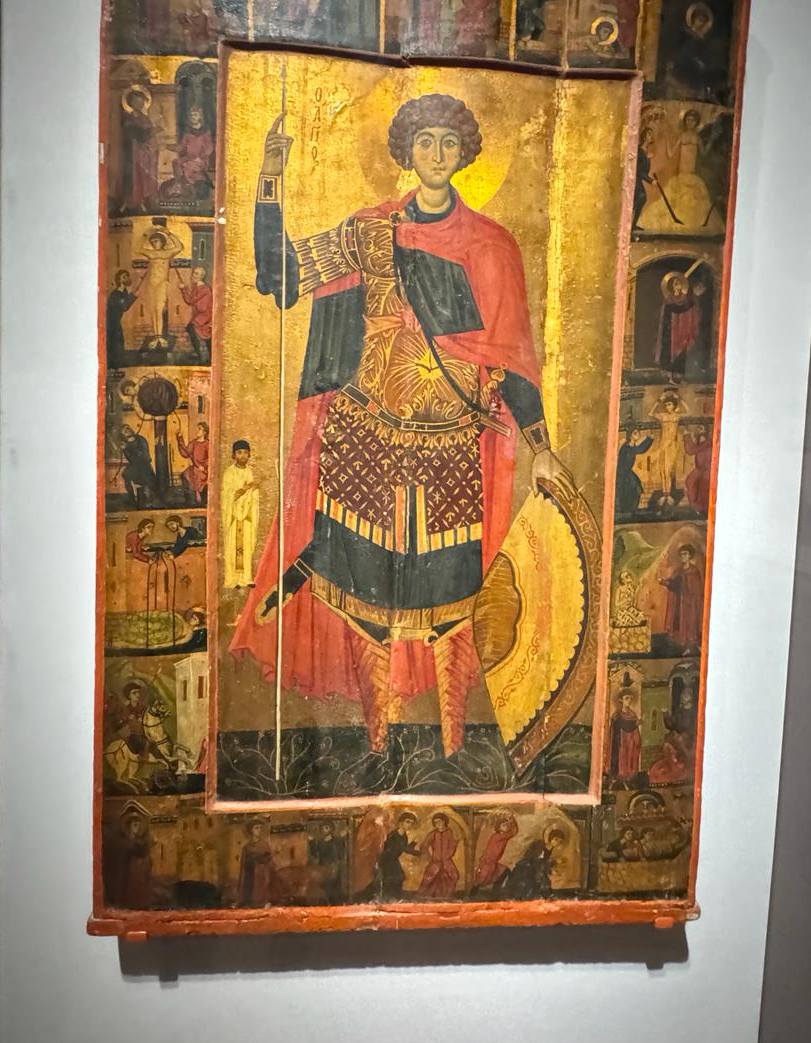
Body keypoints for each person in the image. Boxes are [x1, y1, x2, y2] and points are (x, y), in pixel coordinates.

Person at [231, 93, 576, 758]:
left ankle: (451, 748)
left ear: (465, 152)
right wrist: (269, 181)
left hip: (449, 448)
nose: (437, 154)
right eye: (425, 142)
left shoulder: (491, 246)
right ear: (407, 152)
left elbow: (511, 358)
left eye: (448, 142)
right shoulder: (369, 231)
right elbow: (281, 277)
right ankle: (377, 746)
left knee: (452, 600)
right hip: (364, 440)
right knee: (365, 599)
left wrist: (540, 446)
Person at [220, 439, 259, 589]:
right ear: (234, 455)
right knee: (232, 548)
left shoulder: (249, 472)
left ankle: (246, 578)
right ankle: (232, 580)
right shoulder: (229, 473)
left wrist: (252, 490)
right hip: (234, 518)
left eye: (245, 453)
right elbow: (227, 495)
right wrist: (243, 490)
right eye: (239, 452)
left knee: (247, 548)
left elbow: (253, 496)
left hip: (247, 517)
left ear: (249, 455)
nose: (242, 455)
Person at [655, 271, 707, 380]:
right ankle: (668, 374)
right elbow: (675, 309)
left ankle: (678, 374)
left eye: (678, 283)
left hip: (681, 331)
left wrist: (694, 298)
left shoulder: (686, 298)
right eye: (674, 283)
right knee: (667, 352)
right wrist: (693, 299)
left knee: (681, 351)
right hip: (669, 331)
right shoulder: (668, 299)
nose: (677, 285)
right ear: (671, 286)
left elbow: (687, 308)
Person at [138, 225, 183, 343]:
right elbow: (139, 249)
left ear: (162, 242)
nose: (154, 244)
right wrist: (146, 234)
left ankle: (160, 337)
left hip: (162, 284)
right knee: (153, 310)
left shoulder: (167, 253)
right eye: (152, 242)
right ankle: (156, 336)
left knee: (159, 309)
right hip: (151, 285)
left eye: (156, 241)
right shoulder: (151, 254)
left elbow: (179, 247)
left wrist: (169, 234)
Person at [659, 544, 705, 654]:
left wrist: (694, 600)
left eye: (685, 554)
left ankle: (695, 645)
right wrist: (663, 582)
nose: (683, 557)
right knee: (682, 624)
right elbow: (673, 584)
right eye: (681, 555)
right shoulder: (678, 571)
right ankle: (687, 647)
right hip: (681, 604)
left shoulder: (694, 571)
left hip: (692, 604)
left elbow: (696, 590)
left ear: (690, 556)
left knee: (693, 623)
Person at [120, 88, 157, 214]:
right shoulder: (128, 119)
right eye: (136, 102)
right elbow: (135, 134)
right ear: (131, 103)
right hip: (132, 152)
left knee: (143, 176)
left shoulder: (145, 118)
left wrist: (151, 139)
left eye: (141, 102)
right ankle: (132, 201)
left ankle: (143, 200)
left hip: (145, 153)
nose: (139, 104)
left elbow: (149, 136)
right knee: (133, 176)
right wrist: (150, 132)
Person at [605, 674, 642, 784]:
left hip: (630, 744)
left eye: (630, 698)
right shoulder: (617, 716)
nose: (629, 701)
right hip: (620, 745)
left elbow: (635, 731)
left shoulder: (633, 714)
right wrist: (634, 725)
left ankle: (629, 778)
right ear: (621, 700)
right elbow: (617, 730)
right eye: (626, 698)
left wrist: (636, 738)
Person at [374, 812, 418, 899]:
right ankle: (389, 899)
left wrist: (413, 844)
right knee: (393, 879)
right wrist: (415, 849)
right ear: (401, 822)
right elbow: (401, 848)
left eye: (411, 823)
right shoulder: (393, 835)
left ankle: (395, 898)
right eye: (407, 822)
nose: (409, 825)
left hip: (393, 860)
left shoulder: (404, 836)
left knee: (399, 878)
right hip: (387, 861)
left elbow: (404, 848)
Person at [176, 106, 215, 202]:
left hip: (201, 159)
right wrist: (166, 146)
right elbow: (181, 146)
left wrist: (200, 157)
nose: (193, 117)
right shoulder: (187, 132)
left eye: (195, 115)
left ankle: (196, 190)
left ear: (200, 117)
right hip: (189, 157)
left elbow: (209, 147)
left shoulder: (205, 131)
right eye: (191, 115)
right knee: (176, 163)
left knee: (189, 166)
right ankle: (181, 188)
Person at [473, 813, 518, 891]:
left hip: (494, 863)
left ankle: (494, 891)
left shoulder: (504, 836)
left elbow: (514, 832)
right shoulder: (497, 837)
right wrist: (512, 821)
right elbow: (513, 833)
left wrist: (513, 821)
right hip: (487, 861)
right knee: (481, 879)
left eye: (507, 825)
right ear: (499, 827)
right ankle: (473, 893)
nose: (506, 827)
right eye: (504, 825)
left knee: (504, 872)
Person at [176, 265, 213, 362]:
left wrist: (184, 289)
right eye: (193, 273)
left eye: (196, 274)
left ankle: (204, 357)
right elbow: (189, 300)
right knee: (193, 330)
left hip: (206, 316)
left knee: (204, 335)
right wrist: (184, 289)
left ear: (202, 276)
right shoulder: (196, 288)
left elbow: (192, 300)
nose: (193, 275)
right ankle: (202, 356)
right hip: (201, 316)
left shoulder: (204, 289)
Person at [418, 813, 459, 898]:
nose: (438, 824)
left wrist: (448, 855)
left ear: (444, 821)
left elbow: (452, 846)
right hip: (436, 861)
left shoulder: (449, 832)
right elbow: (424, 845)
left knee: (453, 876)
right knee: (429, 877)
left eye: (439, 821)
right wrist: (430, 855)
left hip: (446, 860)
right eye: (436, 822)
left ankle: (446, 895)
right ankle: (425, 895)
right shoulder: (433, 834)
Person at [236, 818, 275, 907]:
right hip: (250, 874)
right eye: (256, 828)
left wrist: (261, 859)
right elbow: (244, 865)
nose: (259, 830)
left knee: (260, 892)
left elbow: (268, 860)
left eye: (260, 828)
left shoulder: (264, 845)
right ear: (251, 830)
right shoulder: (247, 847)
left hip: (261, 874)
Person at [106, 269, 140, 368]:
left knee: (118, 344)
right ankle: (114, 366)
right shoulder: (115, 295)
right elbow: (124, 306)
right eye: (124, 277)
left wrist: (132, 295)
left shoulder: (123, 292)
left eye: (127, 276)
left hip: (116, 323)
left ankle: (116, 365)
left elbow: (125, 303)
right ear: (119, 281)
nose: (127, 278)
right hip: (111, 324)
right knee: (115, 345)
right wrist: (133, 296)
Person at [616, 427, 653, 515]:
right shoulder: (627, 447)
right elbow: (640, 449)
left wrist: (649, 439)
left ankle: (631, 510)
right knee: (632, 490)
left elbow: (640, 449)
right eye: (635, 433)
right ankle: (627, 510)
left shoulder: (631, 446)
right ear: (630, 436)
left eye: (638, 432)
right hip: (623, 473)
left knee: (635, 489)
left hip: (626, 473)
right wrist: (649, 439)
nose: (638, 434)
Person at [120, 424, 157, 505]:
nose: (127, 430)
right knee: (125, 474)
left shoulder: (141, 440)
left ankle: (148, 500)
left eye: (127, 428)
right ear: (122, 434)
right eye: (124, 431)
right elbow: (131, 460)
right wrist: (125, 450)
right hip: (135, 466)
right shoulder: (126, 444)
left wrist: (126, 449)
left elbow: (143, 457)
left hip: (144, 465)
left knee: (146, 480)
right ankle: (132, 498)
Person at [176, 421, 209, 505]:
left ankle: (202, 501)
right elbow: (185, 453)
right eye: (197, 428)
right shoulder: (194, 443)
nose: (197, 430)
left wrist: (204, 466)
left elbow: (211, 458)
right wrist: (180, 439)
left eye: (199, 429)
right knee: (185, 475)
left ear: (204, 432)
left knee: (201, 479)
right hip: (195, 468)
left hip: (205, 469)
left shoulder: (207, 443)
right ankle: (190, 501)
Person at [683, 424, 712, 513]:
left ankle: (702, 509)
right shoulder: (702, 441)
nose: (699, 431)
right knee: (690, 482)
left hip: (706, 470)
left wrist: (687, 435)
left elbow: (691, 450)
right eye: (699, 429)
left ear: (706, 431)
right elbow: (691, 449)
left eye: (701, 429)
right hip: (701, 469)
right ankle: (697, 507)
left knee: (703, 489)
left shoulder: (707, 442)